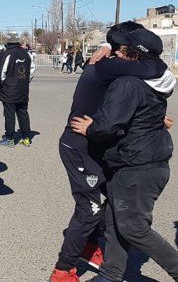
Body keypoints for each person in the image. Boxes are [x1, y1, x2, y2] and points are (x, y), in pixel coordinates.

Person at [50, 22, 170, 282]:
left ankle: (91, 248)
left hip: (97, 145)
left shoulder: (118, 67)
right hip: (79, 144)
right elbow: (158, 71)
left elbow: (127, 104)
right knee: (90, 209)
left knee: (116, 202)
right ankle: (63, 270)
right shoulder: (107, 65)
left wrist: (155, 118)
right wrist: (108, 46)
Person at [0, 34, 34, 147]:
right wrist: (25, 82)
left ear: (8, 42)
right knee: (23, 113)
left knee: (9, 114)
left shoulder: (7, 54)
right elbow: (31, 71)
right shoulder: (27, 54)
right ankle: (26, 137)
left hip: (9, 90)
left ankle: (9, 138)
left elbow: (1, 74)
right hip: (23, 89)